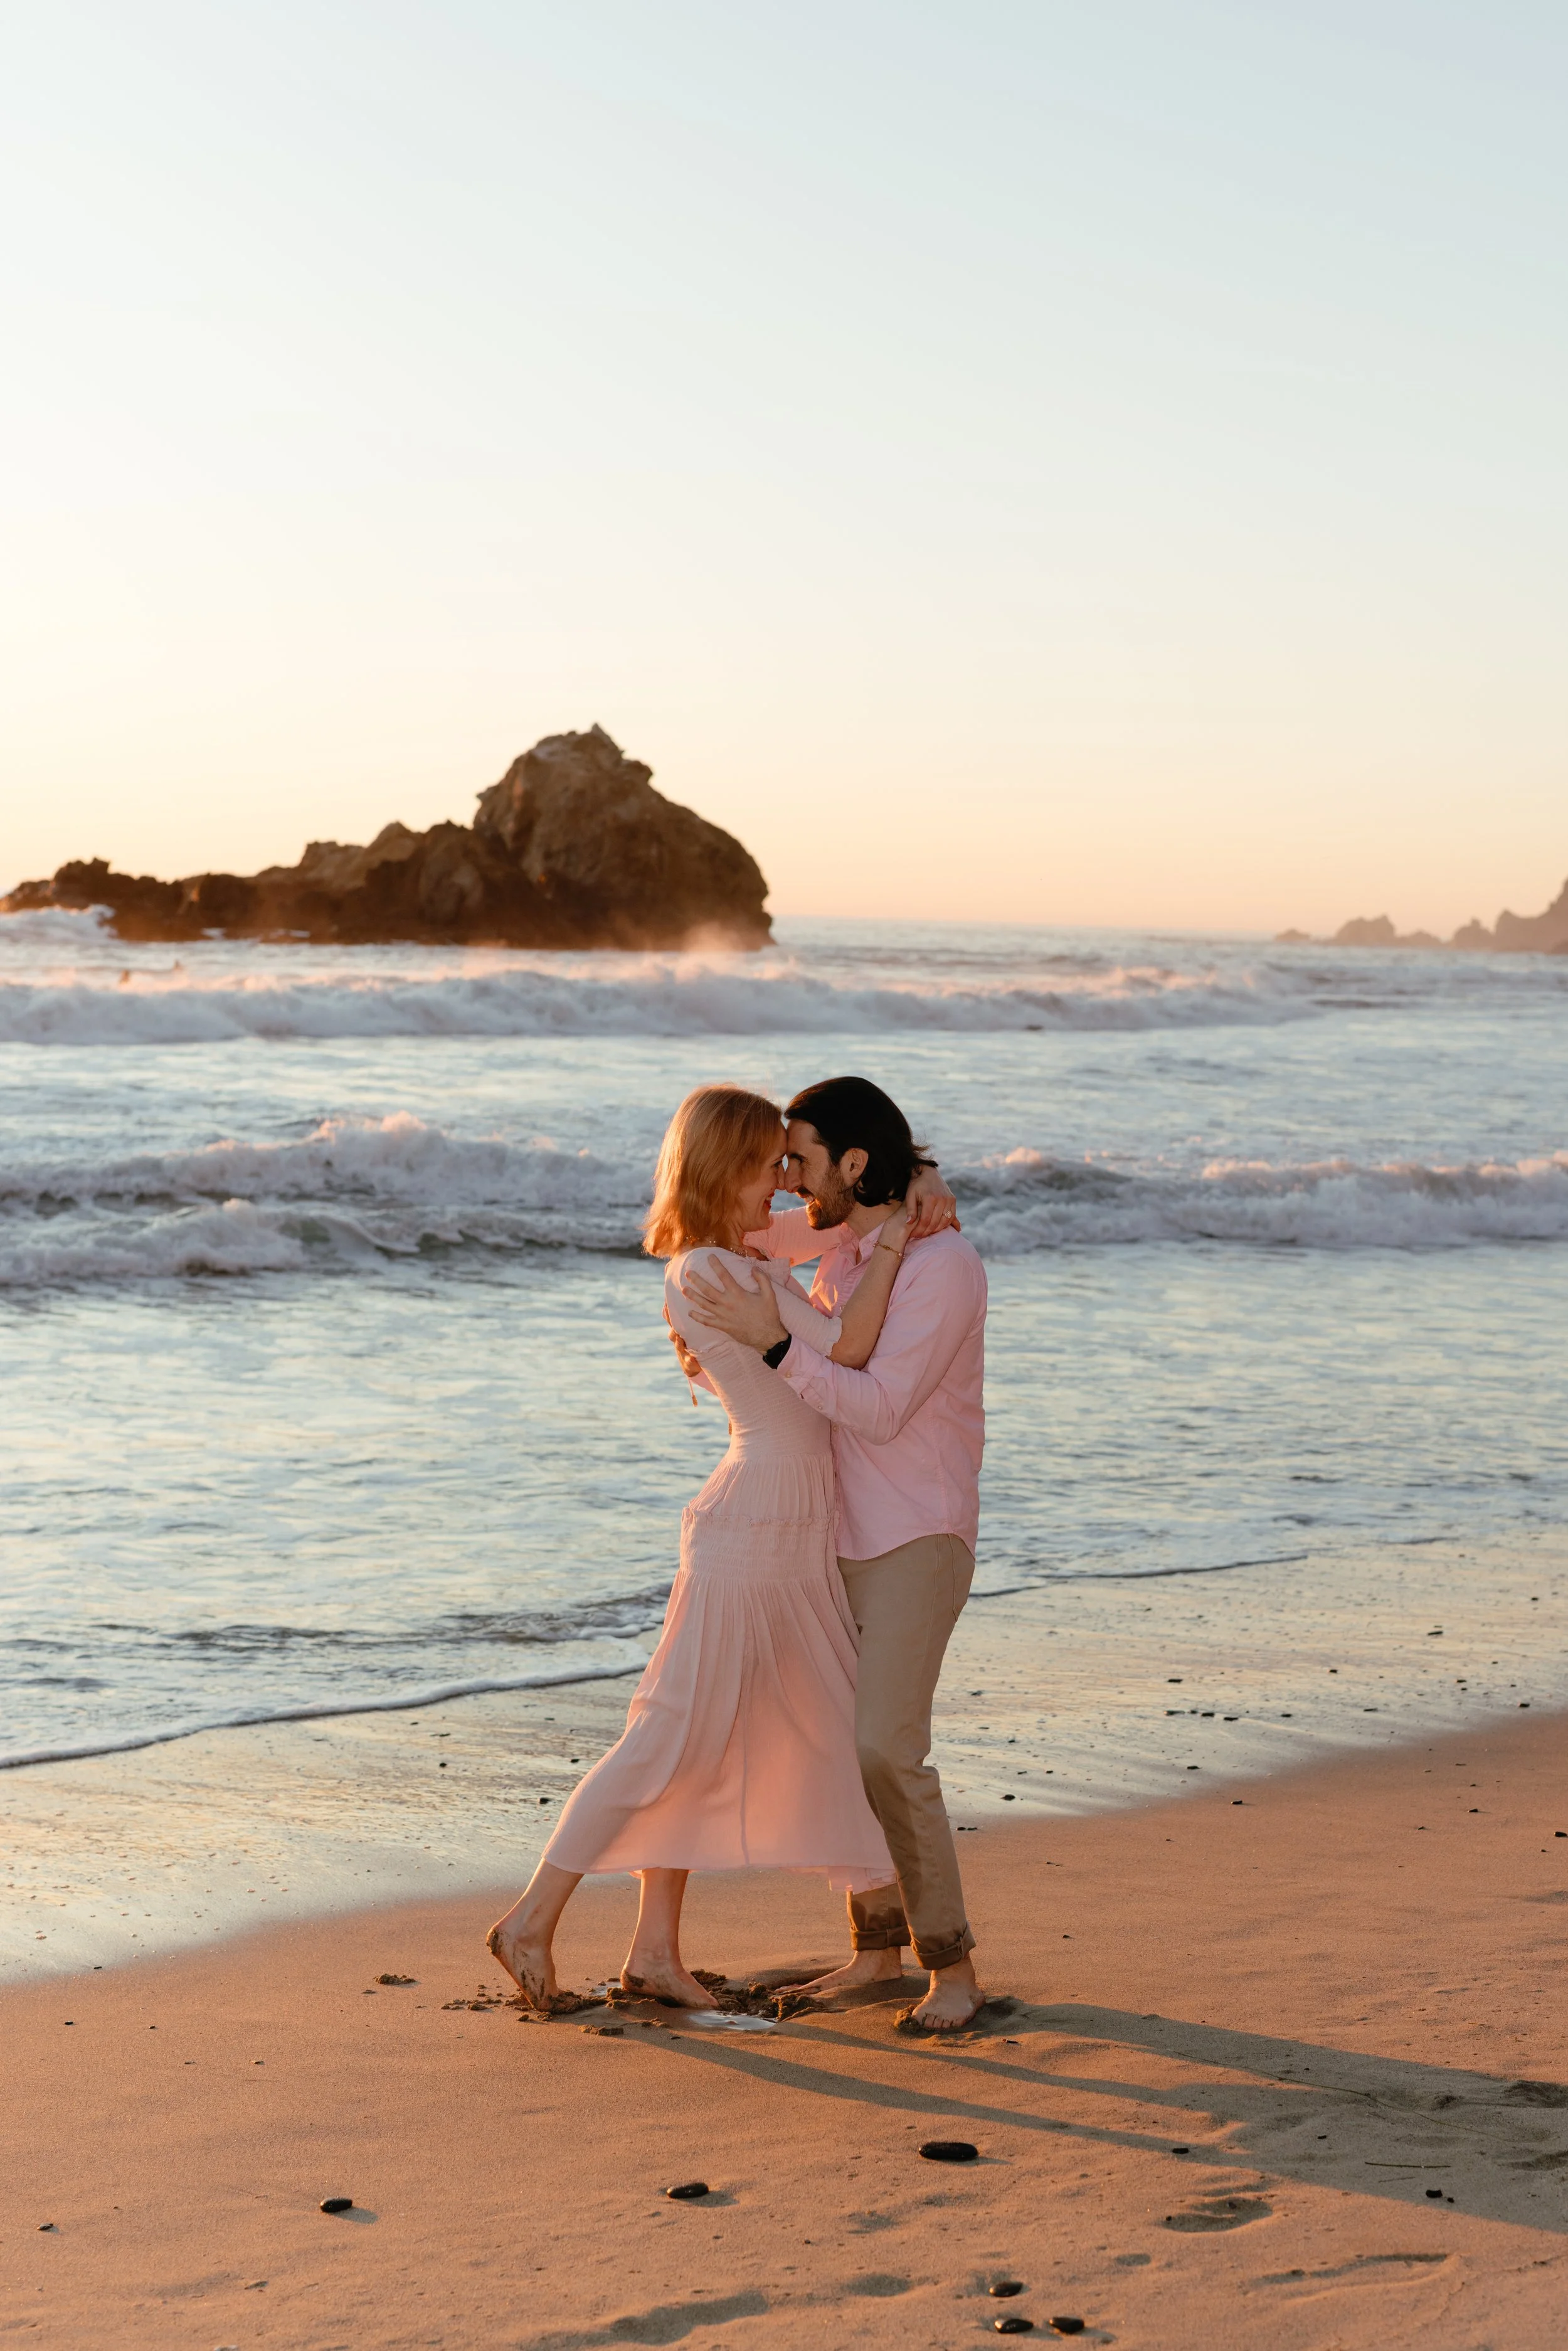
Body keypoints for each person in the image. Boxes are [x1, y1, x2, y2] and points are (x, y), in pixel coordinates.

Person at [485, 1083, 950, 2014]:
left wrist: (915, 1185)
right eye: (767, 1164)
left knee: (789, 1731)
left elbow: (826, 1237)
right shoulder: (712, 1271)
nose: (783, 1182)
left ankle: (659, 1953)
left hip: (789, 1527)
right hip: (754, 1530)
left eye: (788, 1161)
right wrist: (900, 1235)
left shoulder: (741, 1255)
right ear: (723, 1167)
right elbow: (849, 1353)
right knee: (672, 1735)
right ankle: (531, 1919)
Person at [681, 1075, 987, 2033]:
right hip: (834, 1532)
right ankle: (876, 1952)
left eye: (801, 1162)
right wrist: (920, 1175)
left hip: (916, 1533)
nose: (785, 1182)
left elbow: (882, 1407)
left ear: (854, 1165)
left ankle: (956, 1970)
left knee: (884, 1749)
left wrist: (775, 1347)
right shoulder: (849, 1246)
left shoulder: (944, 1267)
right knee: (835, 1750)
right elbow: (723, 1236)